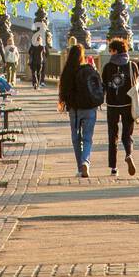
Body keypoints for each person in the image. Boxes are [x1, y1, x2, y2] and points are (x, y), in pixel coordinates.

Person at [58, 41, 104, 177]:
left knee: (76, 138)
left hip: (75, 110)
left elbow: (64, 92)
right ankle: (85, 161)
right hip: (90, 108)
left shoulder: (67, 72)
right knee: (88, 138)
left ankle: (80, 168)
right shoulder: (89, 70)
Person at [102, 37, 138, 176]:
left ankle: (114, 167)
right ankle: (129, 154)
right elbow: (137, 83)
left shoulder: (108, 67)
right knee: (127, 134)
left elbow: (104, 84)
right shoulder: (132, 65)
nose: (110, 53)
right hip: (128, 104)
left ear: (115, 51)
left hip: (112, 105)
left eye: (110, 50)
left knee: (113, 135)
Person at [28, 21, 46, 89]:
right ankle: (38, 84)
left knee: (33, 73)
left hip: (33, 61)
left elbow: (29, 52)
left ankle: (34, 82)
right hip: (39, 61)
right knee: (38, 73)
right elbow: (44, 53)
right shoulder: (42, 46)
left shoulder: (33, 45)